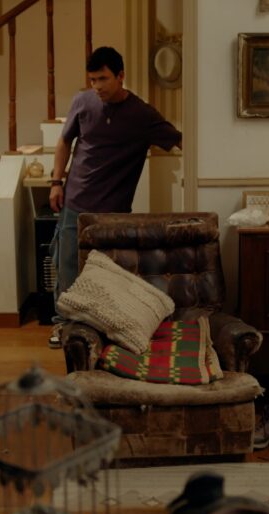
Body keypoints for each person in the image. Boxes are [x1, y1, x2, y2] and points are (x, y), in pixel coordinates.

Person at [47, 46, 182, 348]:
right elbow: (64, 141)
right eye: (93, 79)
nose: (97, 86)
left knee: (109, 273)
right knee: (67, 267)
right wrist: (56, 182)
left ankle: (105, 327)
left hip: (114, 211)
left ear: (121, 76)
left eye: (103, 79)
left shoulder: (142, 114)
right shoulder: (82, 102)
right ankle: (63, 326)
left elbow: (180, 141)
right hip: (75, 202)